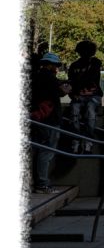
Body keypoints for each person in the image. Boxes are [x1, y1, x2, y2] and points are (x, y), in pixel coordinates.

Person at [30, 52, 71, 193]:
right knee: (47, 151)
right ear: (49, 65)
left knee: (40, 149)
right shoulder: (49, 78)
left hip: (39, 117)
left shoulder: (36, 77)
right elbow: (59, 93)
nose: (57, 68)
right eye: (55, 65)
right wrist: (66, 89)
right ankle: (42, 183)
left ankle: (40, 182)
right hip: (50, 119)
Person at [67, 40, 103, 152]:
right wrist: (73, 95)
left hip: (93, 96)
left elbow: (91, 77)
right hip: (79, 96)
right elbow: (71, 83)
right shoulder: (74, 66)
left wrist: (77, 84)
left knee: (90, 110)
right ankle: (76, 140)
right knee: (74, 111)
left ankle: (88, 141)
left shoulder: (95, 63)